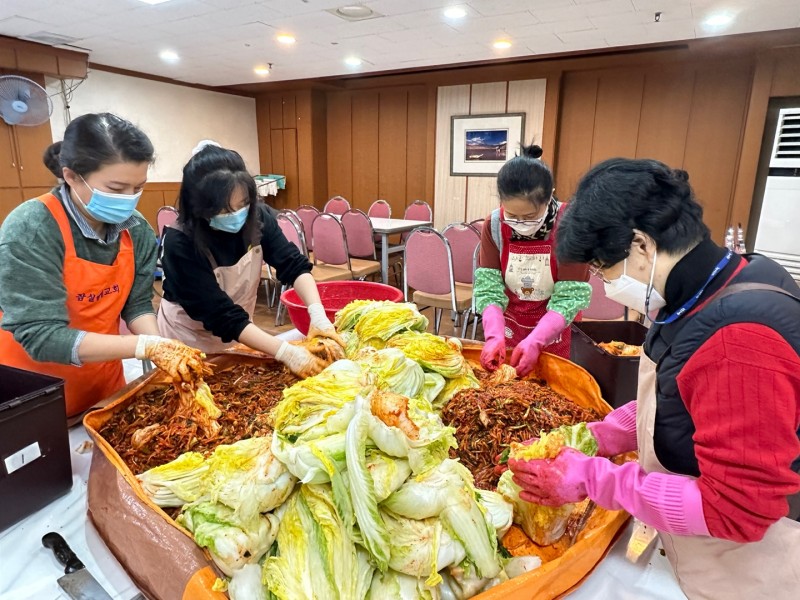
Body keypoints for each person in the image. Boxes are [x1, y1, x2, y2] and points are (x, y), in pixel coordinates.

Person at [509, 158, 800, 598]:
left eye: (601, 268)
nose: (603, 283)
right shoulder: (707, 285)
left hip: (746, 571)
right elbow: (680, 398)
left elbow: (738, 510)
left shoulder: (738, 341)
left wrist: (594, 480)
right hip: (693, 550)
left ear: (641, 245)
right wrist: (605, 435)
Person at [0, 113, 205, 418]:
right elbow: (40, 335)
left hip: (102, 384)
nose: (129, 199)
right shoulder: (32, 228)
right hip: (32, 392)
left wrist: (162, 345)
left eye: (138, 188)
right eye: (117, 188)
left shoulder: (135, 230)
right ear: (71, 176)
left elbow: (136, 306)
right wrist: (142, 347)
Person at [157, 142, 341, 378]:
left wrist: (317, 315)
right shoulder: (180, 242)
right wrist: (287, 353)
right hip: (188, 335)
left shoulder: (258, 218)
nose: (236, 215)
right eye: (224, 210)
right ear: (199, 208)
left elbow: (293, 265)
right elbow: (220, 314)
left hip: (242, 328)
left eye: (243, 204)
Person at [473, 144, 591, 377]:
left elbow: (569, 297)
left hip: (557, 328)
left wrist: (537, 341)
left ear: (549, 198)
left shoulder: (570, 225)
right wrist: (494, 335)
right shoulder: (495, 225)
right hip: (511, 324)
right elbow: (489, 288)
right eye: (512, 215)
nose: (520, 223)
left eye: (529, 217)